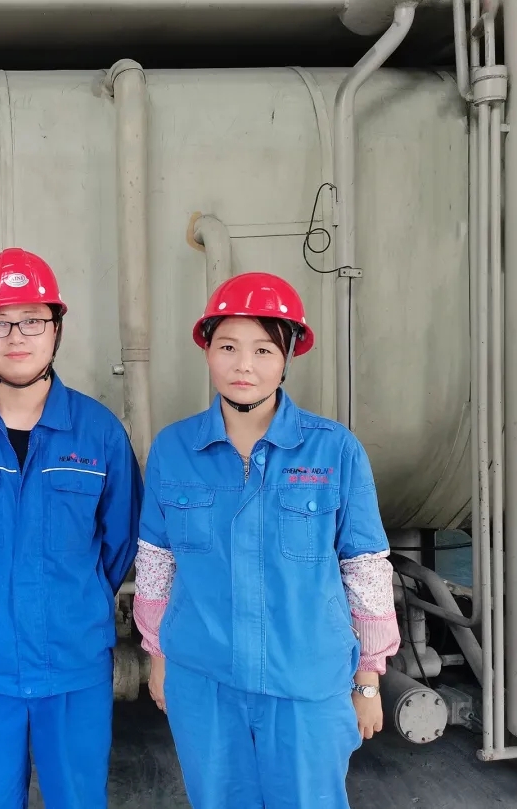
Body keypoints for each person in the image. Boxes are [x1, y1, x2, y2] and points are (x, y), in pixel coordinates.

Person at [132, 272, 401, 809]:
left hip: (306, 683)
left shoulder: (334, 450)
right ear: (207, 351)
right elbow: (157, 562)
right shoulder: (173, 449)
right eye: (228, 347)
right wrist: (157, 655)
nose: (244, 365)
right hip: (203, 681)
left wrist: (369, 678)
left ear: (287, 357)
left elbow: (365, 568)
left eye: (262, 350)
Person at [0, 247, 144, 809]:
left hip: (74, 660)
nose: (16, 336)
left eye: (33, 320)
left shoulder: (99, 433)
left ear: (56, 328)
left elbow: (120, 540)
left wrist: (76, 599)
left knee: (78, 799)